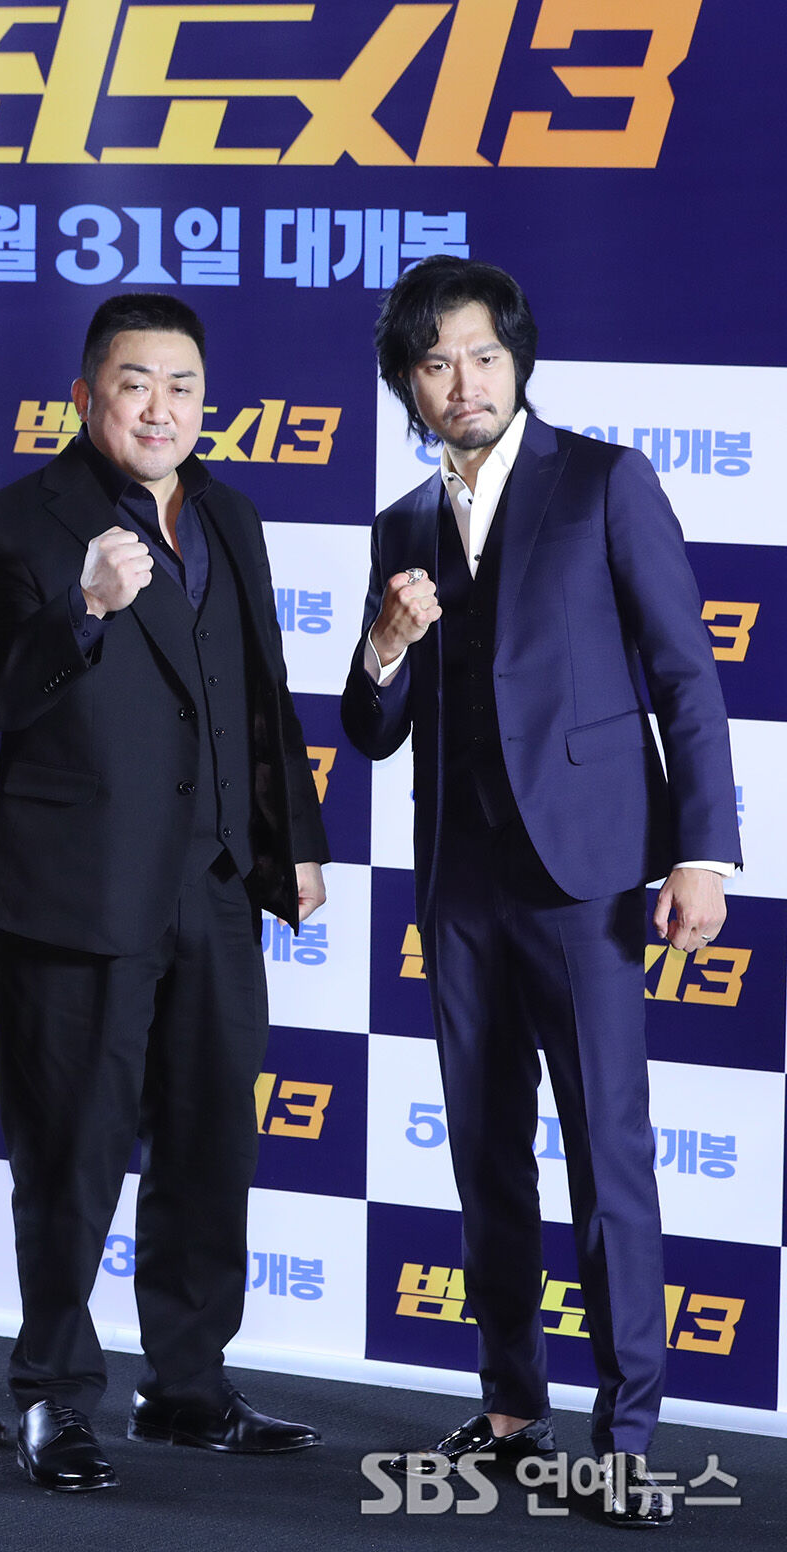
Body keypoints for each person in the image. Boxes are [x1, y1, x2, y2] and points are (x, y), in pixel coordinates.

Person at [341, 256, 740, 1526]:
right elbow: (370, 728)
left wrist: (702, 852)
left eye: (482, 354)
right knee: (484, 1153)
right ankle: (513, 1405)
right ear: (409, 384)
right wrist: (383, 647)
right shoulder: (402, 523)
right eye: (435, 362)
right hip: (459, 885)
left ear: (516, 360)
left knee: (609, 1155)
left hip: (587, 880)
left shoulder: (606, 482)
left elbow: (686, 676)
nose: (463, 380)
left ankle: (628, 1437)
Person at [0, 293, 329, 1492]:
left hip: (215, 884)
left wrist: (293, 842)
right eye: (134, 382)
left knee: (212, 1141)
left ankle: (190, 1387)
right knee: (69, 1155)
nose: (161, 407)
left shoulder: (230, 515)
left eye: (183, 385)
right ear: (85, 396)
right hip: (79, 890)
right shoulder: (9, 526)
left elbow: (262, 694)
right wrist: (85, 608)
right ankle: (55, 1394)